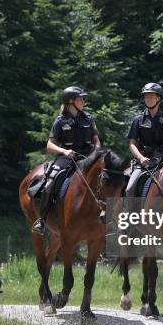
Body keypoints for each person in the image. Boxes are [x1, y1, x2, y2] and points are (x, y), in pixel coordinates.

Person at [31, 86, 102, 235]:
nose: (83, 101)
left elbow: (96, 140)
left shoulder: (88, 118)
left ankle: (109, 218)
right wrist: (64, 151)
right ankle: (42, 220)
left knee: (109, 178)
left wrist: (97, 150)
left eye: (83, 98)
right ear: (70, 101)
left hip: (88, 156)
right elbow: (50, 145)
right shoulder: (60, 121)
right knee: (51, 181)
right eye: (80, 98)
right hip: (67, 157)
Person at [125, 82, 163, 197]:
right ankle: (130, 215)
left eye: (151, 96)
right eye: (146, 96)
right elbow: (132, 144)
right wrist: (140, 157)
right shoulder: (138, 119)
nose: (148, 99)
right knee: (129, 189)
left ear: (158, 98)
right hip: (145, 161)